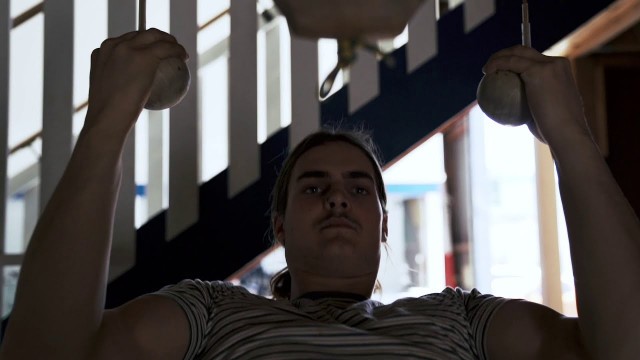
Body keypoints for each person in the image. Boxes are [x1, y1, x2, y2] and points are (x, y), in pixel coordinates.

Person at [0, 27, 639, 360]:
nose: (338, 199)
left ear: (385, 225)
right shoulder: (209, 312)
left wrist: (571, 139)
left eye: (360, 188)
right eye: (315, 186)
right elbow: (43, 356)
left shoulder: (459, 318)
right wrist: (108, 117)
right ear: (280, 226)